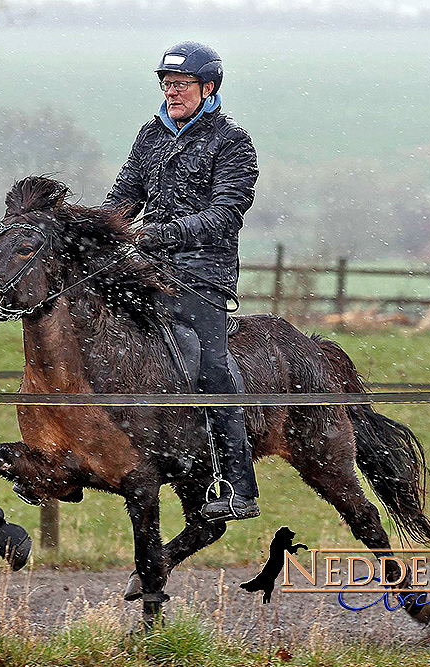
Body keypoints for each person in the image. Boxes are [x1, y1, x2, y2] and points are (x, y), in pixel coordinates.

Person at [104, 41, 260, 521]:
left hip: (202, 275)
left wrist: (165, 233)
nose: (171, 93)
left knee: (211, 366)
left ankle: (238, 485)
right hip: (148, 266)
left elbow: (226, 213)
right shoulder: (151, 135)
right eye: (166, 85)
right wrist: (95, 231)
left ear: (207, 87)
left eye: (181, 85)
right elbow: (125, 193)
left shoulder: (232, 141)